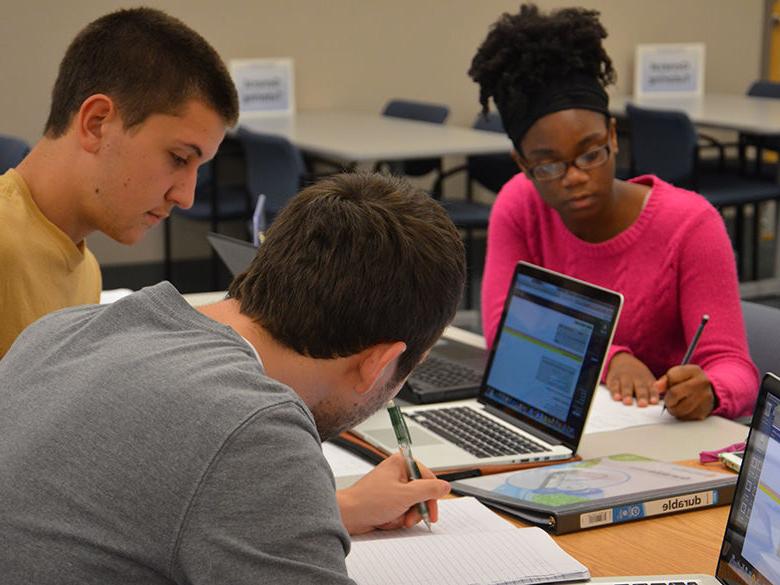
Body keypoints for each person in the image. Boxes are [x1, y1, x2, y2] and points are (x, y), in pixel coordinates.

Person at [0, 172, 466, 583]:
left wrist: (331, 511)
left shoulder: (65, 329)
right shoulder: (254, 427)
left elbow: (135, 506)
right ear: (378, 363)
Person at [469, 4, 758, 421]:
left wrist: (711, 389)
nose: (574, 178)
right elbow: (506, 332)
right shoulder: (520, 205)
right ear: (522, 163)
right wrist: (611, 359)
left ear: (613, 136)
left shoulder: (691, 225)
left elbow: (735, 366)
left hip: (662, 431)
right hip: (563, 420)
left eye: (591, 154)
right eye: (548, 166)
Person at [0, 7, 239, 358]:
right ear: (97, 123)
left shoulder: (86, 271)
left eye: (198, 168)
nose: (186, 196)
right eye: (178, 158)